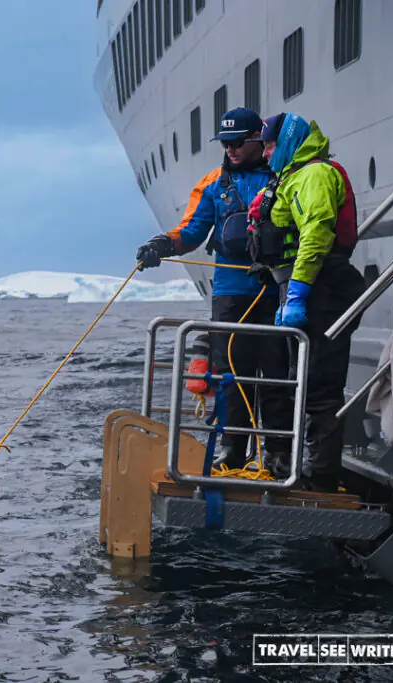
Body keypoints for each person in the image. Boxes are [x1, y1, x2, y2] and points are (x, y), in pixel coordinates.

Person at [135, 107, 292, 471]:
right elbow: (191, 230)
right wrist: (163, 244)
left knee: (276, 375)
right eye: (225, 143)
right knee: (230, 376)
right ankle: (231, 452)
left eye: (238, 142)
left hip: (277, 292)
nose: (231, 149)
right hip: (230, 295)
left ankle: (280, 455)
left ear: (258, 140)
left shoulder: (282, 177)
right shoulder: (211, 183)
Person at [249, 112, 366, 492]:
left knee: (319, 384)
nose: (265, 155)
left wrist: (298, 290)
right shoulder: (292, 177)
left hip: (321, 289)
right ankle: (299, 466)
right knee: (297, 380)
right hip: (302, 288)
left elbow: (316, 232)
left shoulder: (314, 175)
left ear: (287, 142)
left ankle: (320, 478)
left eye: (268, 145)